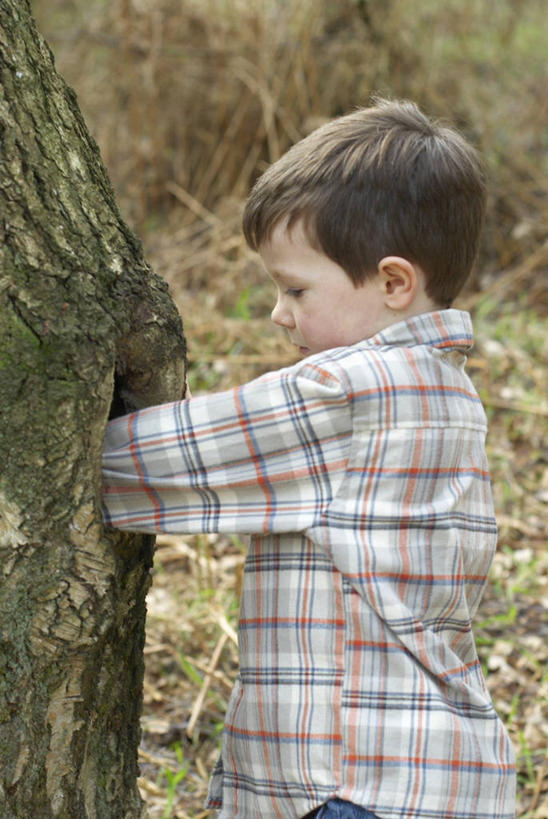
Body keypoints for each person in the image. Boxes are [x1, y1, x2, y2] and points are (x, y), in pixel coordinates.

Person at [102, 98, 516, 819]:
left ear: (393, 283)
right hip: (431, 778)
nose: (277, 312)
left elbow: (147, 462)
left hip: (354, 787)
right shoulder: (450, 393)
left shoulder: (346, 394)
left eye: (295, 288)